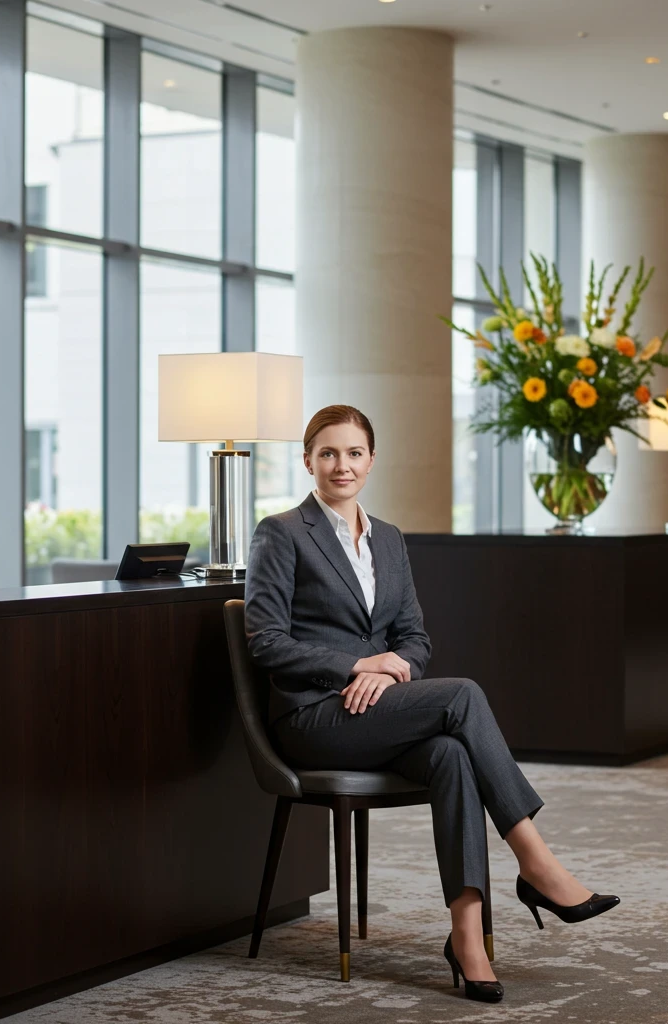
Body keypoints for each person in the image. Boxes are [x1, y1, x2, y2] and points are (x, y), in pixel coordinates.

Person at [244, 404, 619, 1002]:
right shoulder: (282, 532)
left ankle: (465, 938)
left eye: (355, 453)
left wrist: (392, 674)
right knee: (464, 695)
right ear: (307, 460)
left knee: (449, 753)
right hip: (313, 719)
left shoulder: (389, 539)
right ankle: (537, 864)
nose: (343, 465)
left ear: (372, 459)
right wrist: (357, 664)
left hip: (377, 710)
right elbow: (266, 642)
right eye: (329, 453)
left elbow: (414, 639)